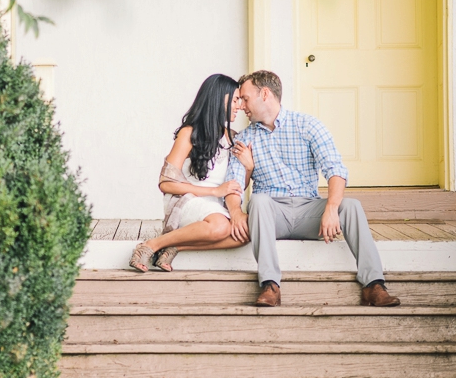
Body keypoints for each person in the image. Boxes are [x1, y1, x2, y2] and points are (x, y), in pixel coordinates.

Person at [223, 70, 400, 307]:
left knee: (352, 206)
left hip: (309, 211)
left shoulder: (308, 126)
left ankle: (374, 285)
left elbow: (335, 169)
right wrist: (236, 213)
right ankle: (270, 285)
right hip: (272, 214)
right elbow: (233, 185)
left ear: (264, 94)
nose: (242, 105)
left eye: (245, 98)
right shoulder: (245, 138)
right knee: (259, 201)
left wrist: (332, 208)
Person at [128, 74, 248, 272]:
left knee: (245, 233)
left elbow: (237, 186)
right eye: (235, 100)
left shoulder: (233, 138)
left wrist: (248, 166)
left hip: (215, 206)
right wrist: (215, 191)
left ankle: (174, 246)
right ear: (220, 99)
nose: (240, 106)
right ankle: (151, 245)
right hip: (185, 199)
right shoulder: (189, 133)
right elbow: (165, 183)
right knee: (221, 227)